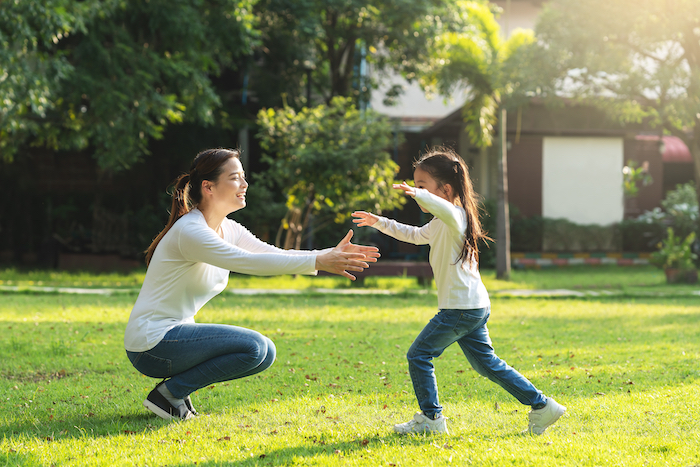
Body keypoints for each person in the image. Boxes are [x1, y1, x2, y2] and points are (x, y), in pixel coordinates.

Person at [125, 148, 380, 421]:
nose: (245, 185)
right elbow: (248, 262)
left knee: (265, 351)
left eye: (243, 177)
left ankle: (173, 394)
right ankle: (167, 395)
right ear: (208, 187)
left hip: (174, 337)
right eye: (235, 178)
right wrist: (319, 261)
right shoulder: (191, 231)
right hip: (153, 344)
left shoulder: (228, 228)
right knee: (255, 346)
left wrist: (327, 255)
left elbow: (270, 253)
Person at [352, 146, 565, 435]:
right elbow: (414, 235)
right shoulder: (441, 222)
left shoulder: (455, 216)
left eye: (422, 185)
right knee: (487, 365)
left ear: (446, 188)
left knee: (419, 355)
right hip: (472, 307)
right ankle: (542, 406)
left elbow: (442, 208)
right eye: (416, 186)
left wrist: (419, 195)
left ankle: (431, 419)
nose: (416, 191)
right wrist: (380, 222)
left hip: (460, 309)